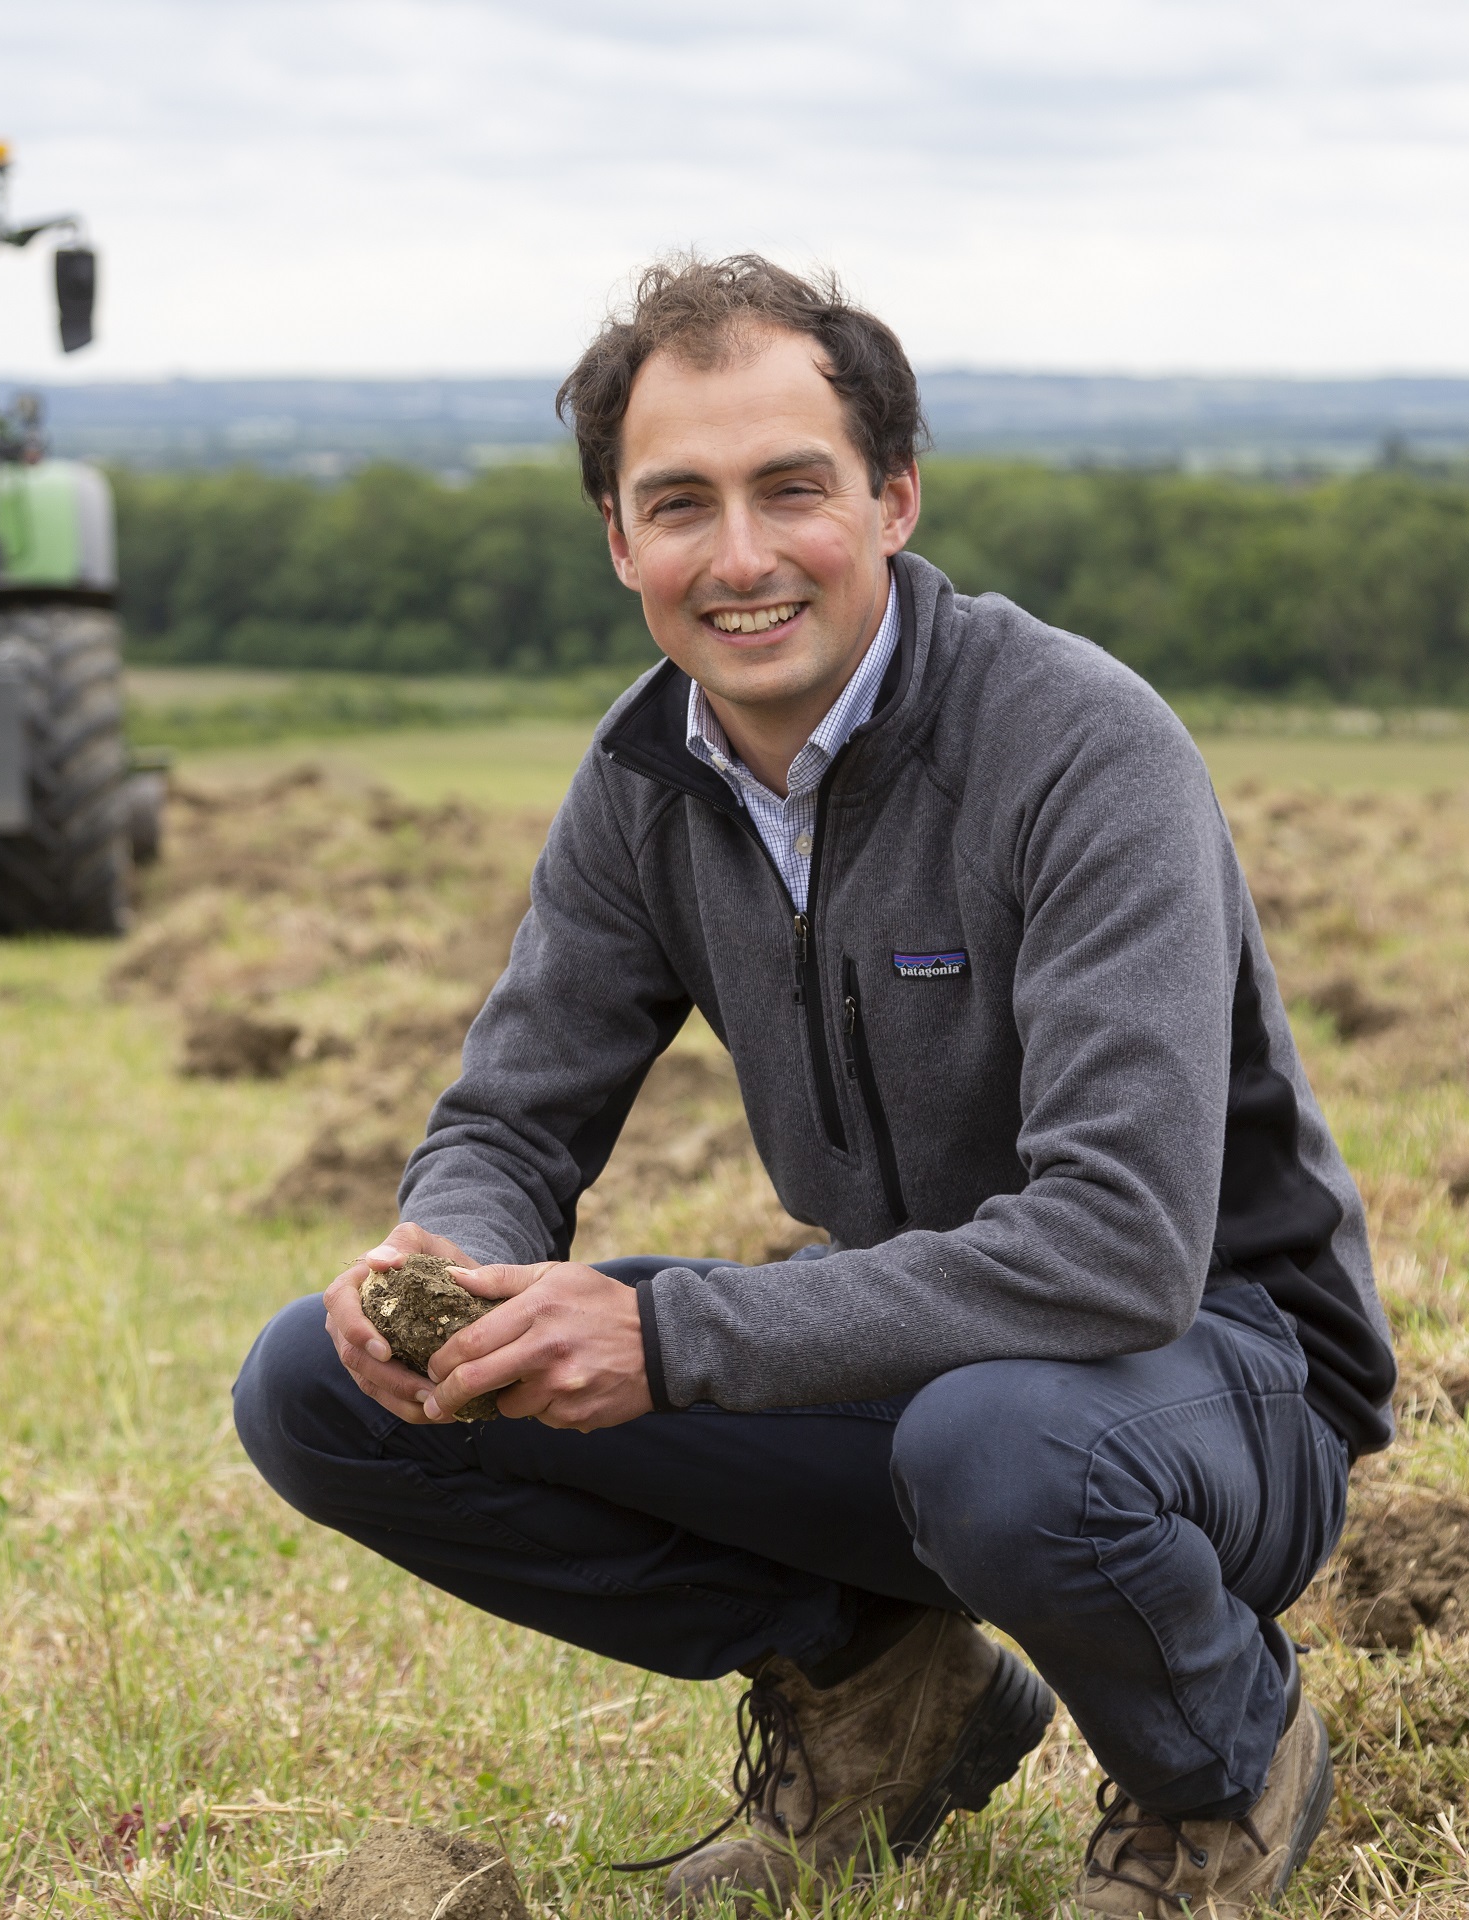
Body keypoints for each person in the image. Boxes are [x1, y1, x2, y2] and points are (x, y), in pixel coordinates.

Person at [231, 256, 1395, 1915]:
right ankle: (882, 1695)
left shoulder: (1080, 749)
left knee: (1008, 1451)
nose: (743, 555)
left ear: (895, 499)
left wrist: (667, 1339)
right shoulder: (648, 775)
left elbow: (1115, 1252)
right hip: (919, 1366)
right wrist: (441, 1261)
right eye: (681, 504)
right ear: (622, 544)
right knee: (317, 1387)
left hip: (1213, 1373)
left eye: (794, 489)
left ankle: (1222, 1765)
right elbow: (512, 1118)